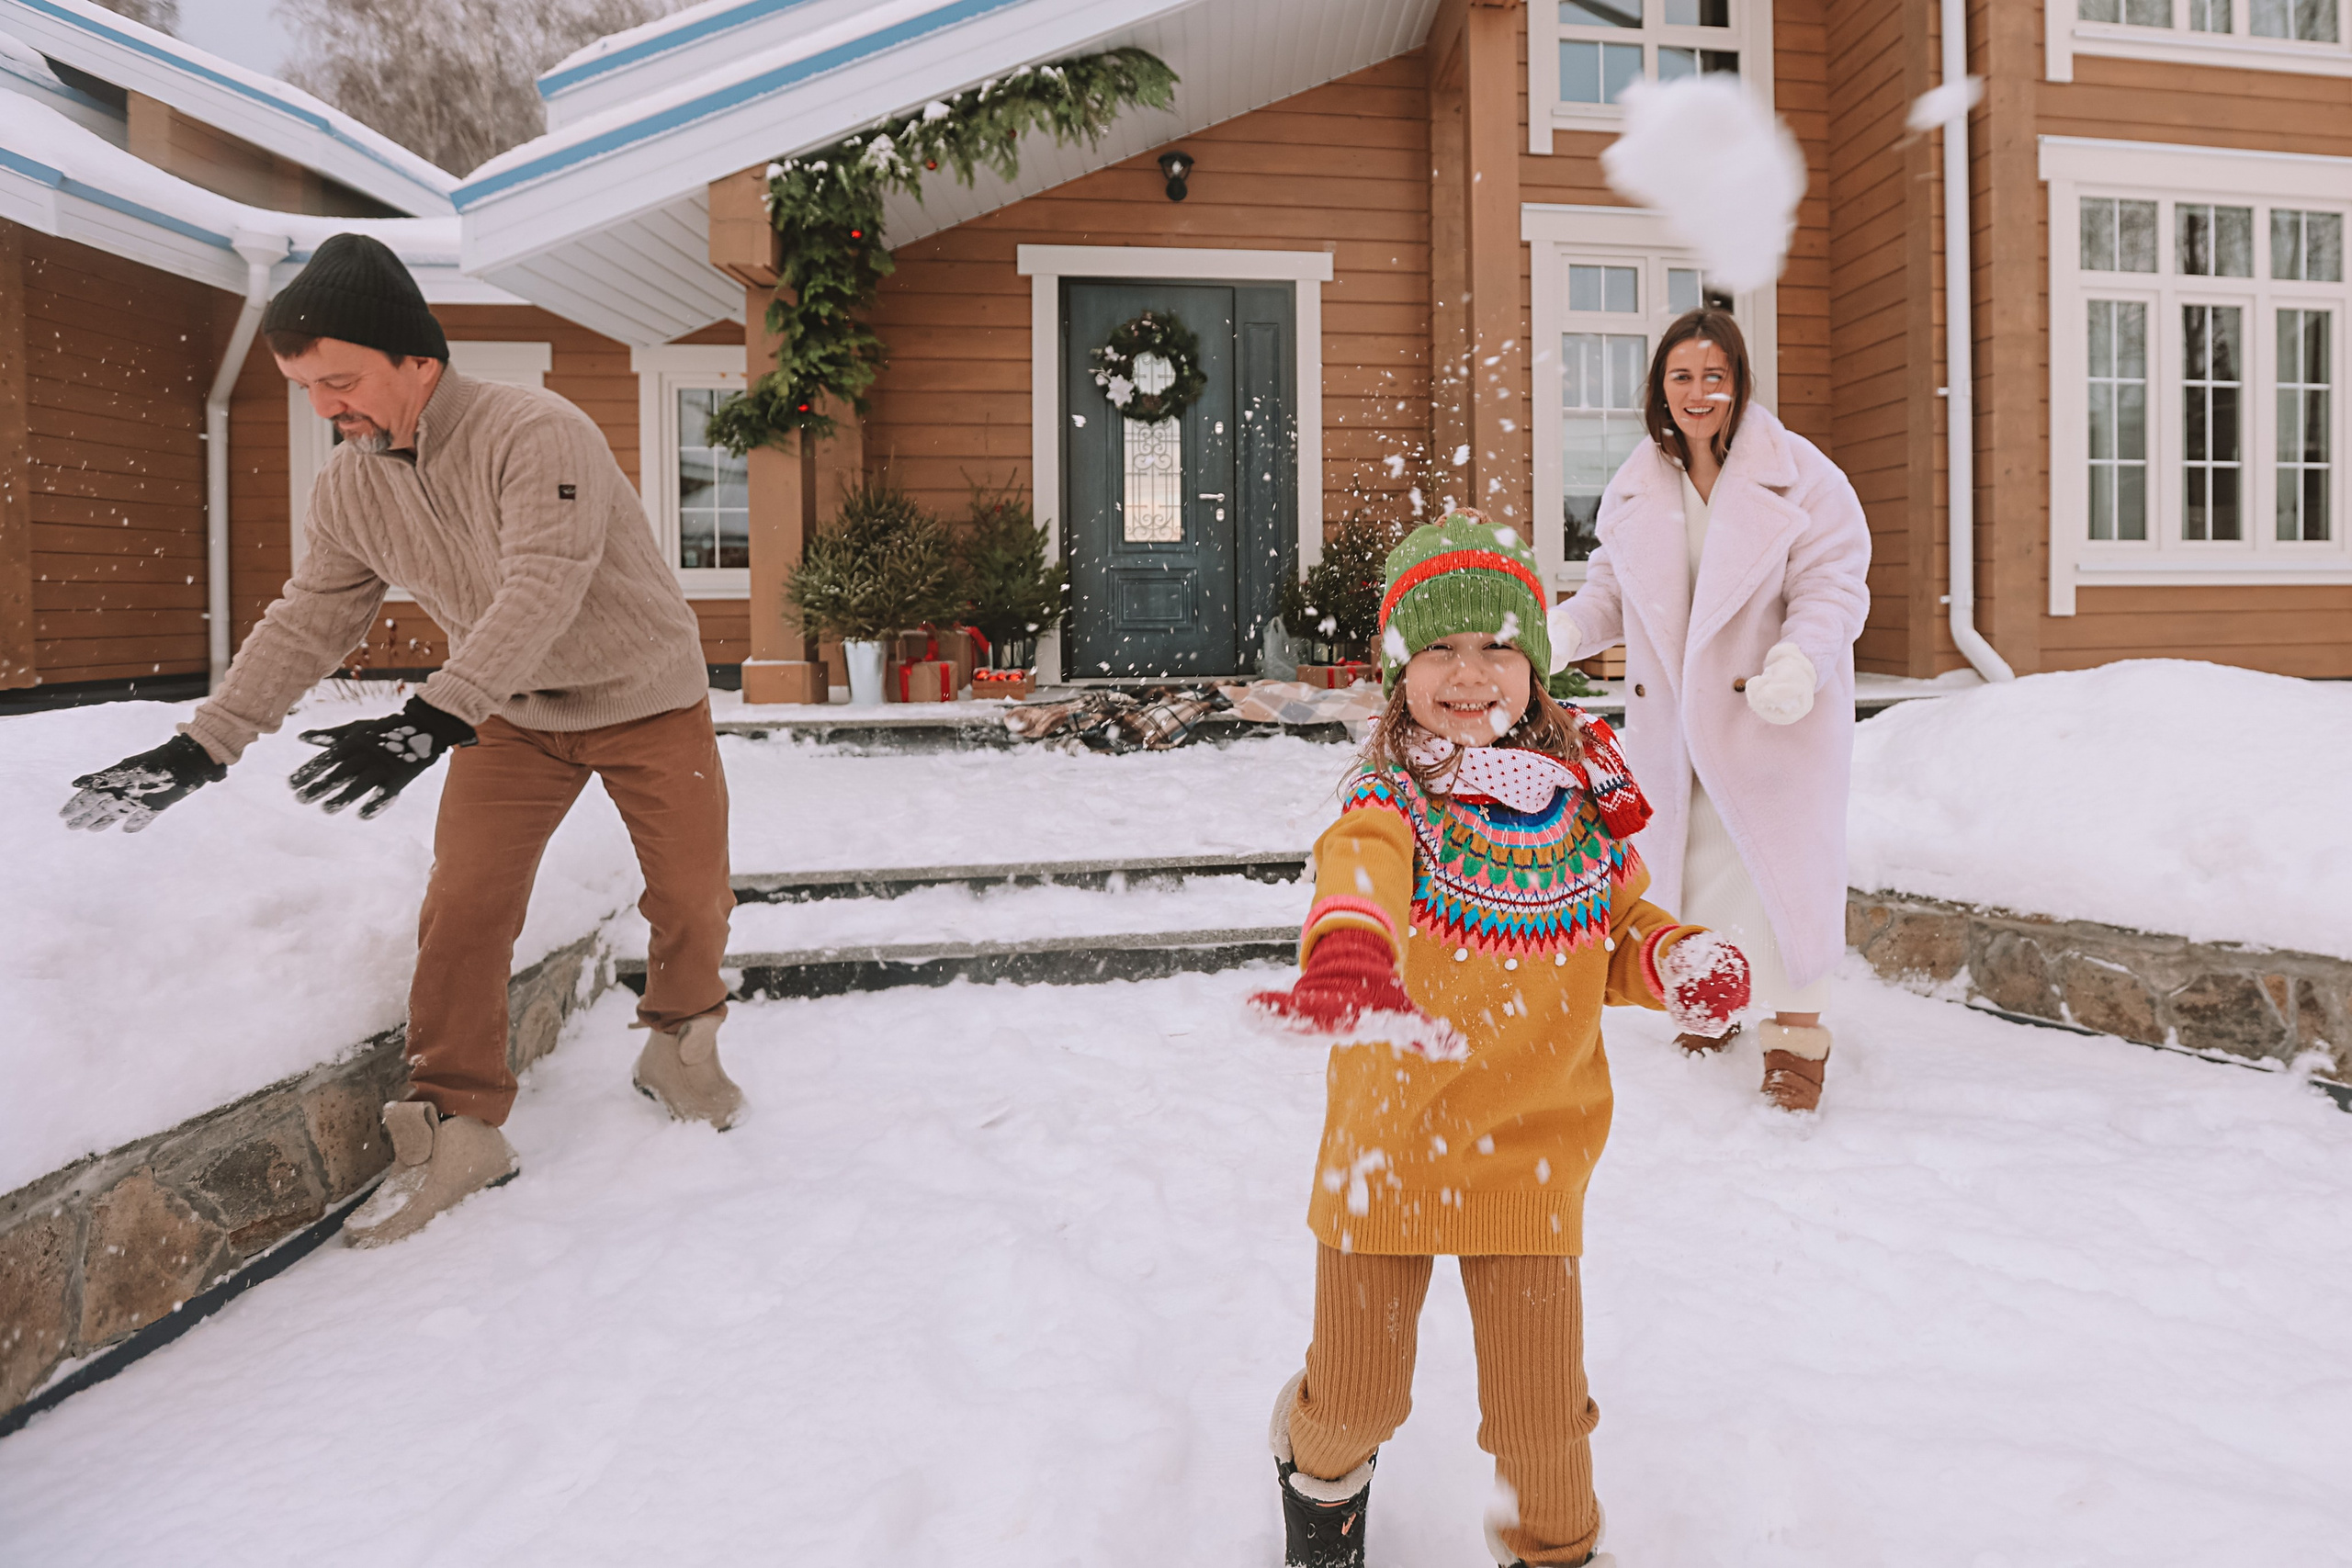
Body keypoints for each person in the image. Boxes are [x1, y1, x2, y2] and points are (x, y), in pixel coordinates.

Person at [57, 233, 743, 1248]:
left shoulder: (536, 432)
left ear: (417, 359)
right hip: (509, 716)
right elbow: (310, 619)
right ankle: (458, 1124)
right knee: (464, 906)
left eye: (340, 382)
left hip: (645, 698)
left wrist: (433, 715)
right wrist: (203, 746)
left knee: (691, 896)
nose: (325, 407)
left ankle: (679, 1045)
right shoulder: (351, 486)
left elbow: (542, 585)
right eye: (305, 388)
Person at [1250, 514, 1751, 1568]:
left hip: (1531, 1149)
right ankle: (1316, 1473)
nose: (1470, 673)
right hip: (1391, 1145)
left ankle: (1555, 1554)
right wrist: (1350, 949)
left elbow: (1614, 928)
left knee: (1540, 1425)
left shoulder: (1578, 807)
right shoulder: (1393, 798)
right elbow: (1358, 866)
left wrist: (1673, 959)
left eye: (1496, 648)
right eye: (1439, 647)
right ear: (1399, 669)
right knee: (1356, 1402)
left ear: (1534, 667)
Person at [1548, 308, 1870, 1112]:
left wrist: (1799, 661)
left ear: (1739, 383)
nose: (1699, 393)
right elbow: (1611, 592)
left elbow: (1832, 585)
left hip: (1773, 720)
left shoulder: (1804, 476)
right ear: (1660, 386)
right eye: (1682, 376)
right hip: (1677, 735)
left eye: (1714, 376)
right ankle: (1709, 1001)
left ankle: (1795, 1041)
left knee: (1781, 877)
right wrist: (1561, 631)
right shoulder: (1638, 484)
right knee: (1692, 872)